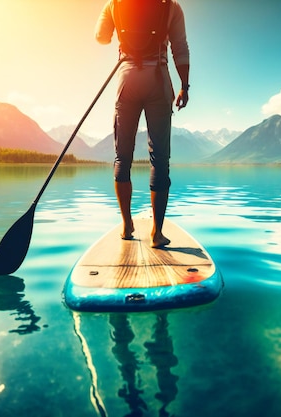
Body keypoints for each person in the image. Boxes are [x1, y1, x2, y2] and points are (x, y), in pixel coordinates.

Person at [95, 0, 190, 248]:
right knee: (159, 158)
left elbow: (101, 38)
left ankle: (127, 226)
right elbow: (180, 48)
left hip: (127, 76)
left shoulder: (114, 5)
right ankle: (156, 234)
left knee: (122, 156)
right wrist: (184, 86)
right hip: (158, 77)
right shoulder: (171, 7)